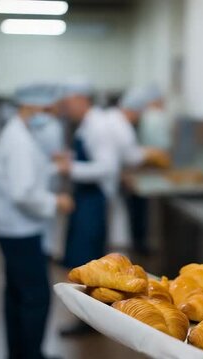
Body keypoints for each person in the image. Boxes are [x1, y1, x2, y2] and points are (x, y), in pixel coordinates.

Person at [0, 83, 74, 359]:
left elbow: (26, 175)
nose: (49, 115)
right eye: (48, 109)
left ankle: (20, 353)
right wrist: (55, 202)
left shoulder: (18, 134)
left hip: (11, 228)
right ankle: (32, 355)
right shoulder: (19, 141)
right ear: (31, 106)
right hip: (20, 230)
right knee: (35, 297)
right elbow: (22, 192)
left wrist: (51, 166)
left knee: (16, 294)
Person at [55, 81, 117, 336]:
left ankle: (89, 322)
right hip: (84, 200)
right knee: (82, 264)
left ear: (82, 99)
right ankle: (86, 319)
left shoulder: (98, 127)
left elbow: (107, 167)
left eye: (68, 104)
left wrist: (71, 169)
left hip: (93, 201)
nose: (66, 109)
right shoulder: (87, 124)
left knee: (89, 264)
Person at [106, 86, 170, 252]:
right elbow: (131, 157)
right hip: (108, 180)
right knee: (116, 229)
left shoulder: (115, 120)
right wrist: (151, 153)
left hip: (112, 178)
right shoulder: (122, 126)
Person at [28, 84, 67, 256]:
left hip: (46, 181)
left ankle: (46, 251)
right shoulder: (51, 127)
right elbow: (53, 156)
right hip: (43, 181)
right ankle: (46, 252)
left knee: (46, 224)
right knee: (45, 224)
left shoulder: (39, 127)